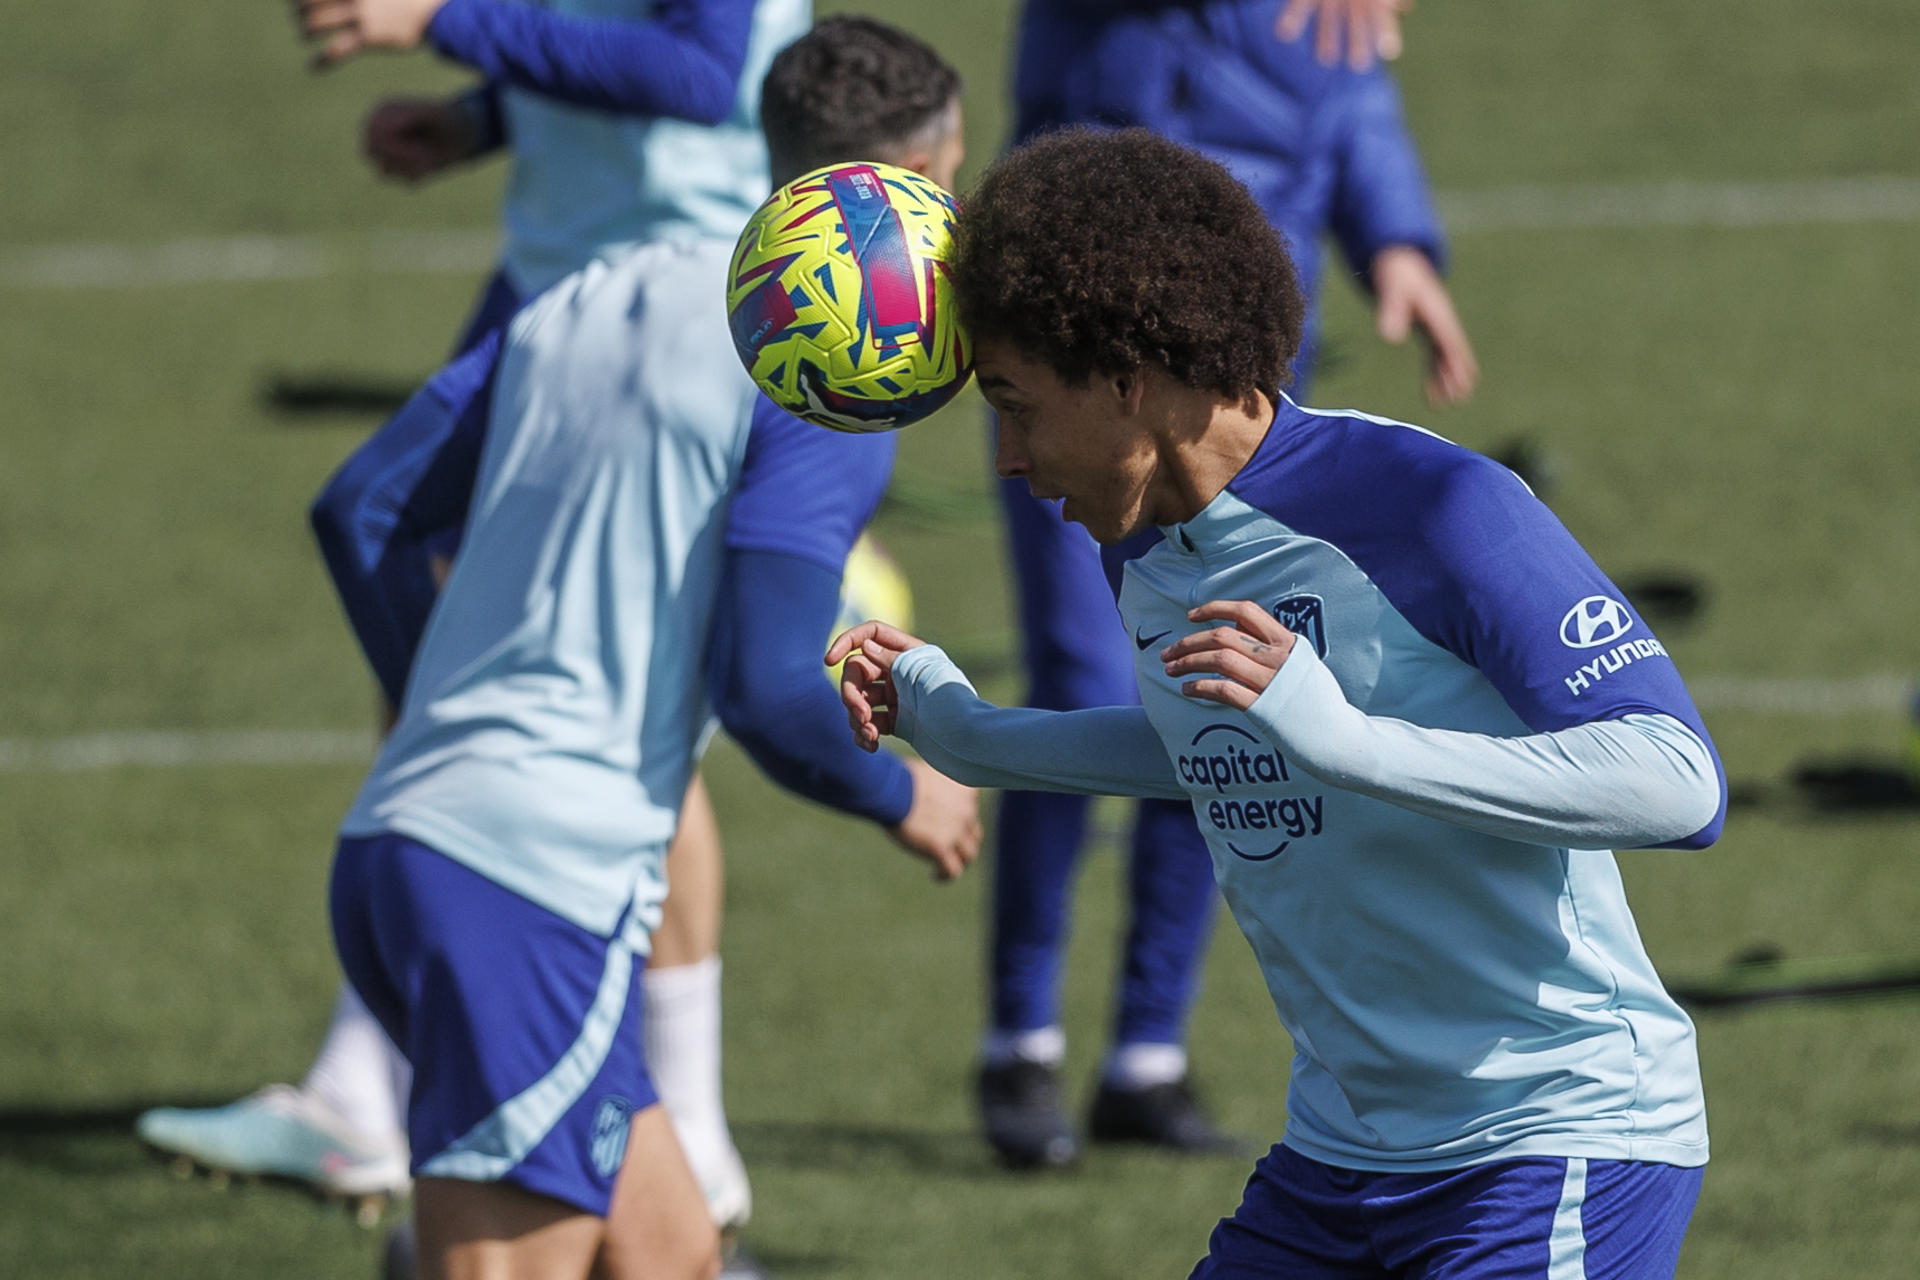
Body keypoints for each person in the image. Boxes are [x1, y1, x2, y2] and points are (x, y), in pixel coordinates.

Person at [154, 19, 976, 1278]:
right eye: (951, 180)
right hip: (527, 892)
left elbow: (360, 507)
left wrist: (444, 707)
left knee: (671, 1255)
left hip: (415, 847)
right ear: (903, 196)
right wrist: (900, 788)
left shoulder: (598, 286)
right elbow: (763, 681)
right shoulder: (816, 378)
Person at [831, 127, 1726, 1277]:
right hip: (1342, 1155)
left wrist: (1353, 742)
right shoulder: (1147, 546)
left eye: (1015, 402)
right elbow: (1222, 746)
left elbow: (1677, 778)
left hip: (1553, 1141)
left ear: (1128, 379)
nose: (1006, 457)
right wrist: (975, 737)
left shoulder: (1435, 506)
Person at [975, 0, 1476, 1169]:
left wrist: (1395, 239)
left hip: (1231, 411)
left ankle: (1145, 1053)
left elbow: (1348, 98)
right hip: (1080, 399)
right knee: (1075, 679)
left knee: (1221, 685)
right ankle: (1020, 1041)